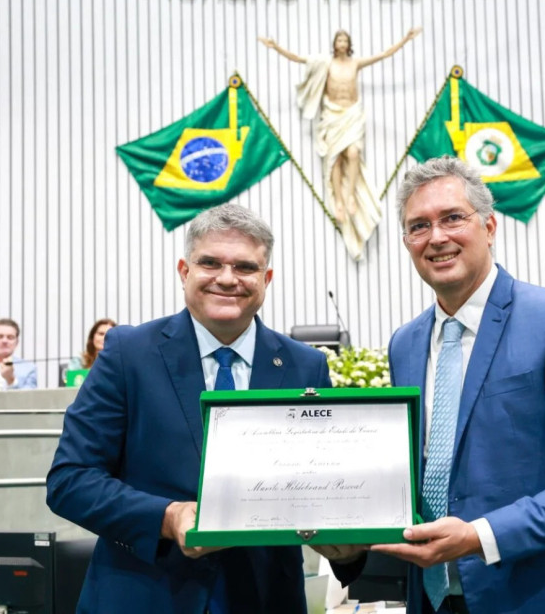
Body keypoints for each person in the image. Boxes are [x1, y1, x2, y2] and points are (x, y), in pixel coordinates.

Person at [364, 157, 545, 613]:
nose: (437, 237)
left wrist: (478, 536)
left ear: (489, 226)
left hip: (544, 596)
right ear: (407, 243)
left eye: (452, 218)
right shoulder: (404, 344)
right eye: (418, 226)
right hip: (432, 599)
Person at [46, 204, 338, 613]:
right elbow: (70, 481)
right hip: (145, 596)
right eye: (210, 263)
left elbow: (324, 485)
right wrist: (168, 517)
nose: (226, 278)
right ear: (184, 271)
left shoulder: (306, 365)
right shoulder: (128, 354)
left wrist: (347, 545)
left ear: (266, 279)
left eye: (244, 267)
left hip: (264, 599)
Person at [258, 27, 422, 261]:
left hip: (352, 114)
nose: (342, 42)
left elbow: (384, 54)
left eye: (345, 39)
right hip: (333, 115)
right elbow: (298, 58)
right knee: (334, 160)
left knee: (353, 153)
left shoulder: (355, 63)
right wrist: (276, 47)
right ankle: (338, 199)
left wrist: (405, 39)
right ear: (335, 44)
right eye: (339, 39)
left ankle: (352, 196)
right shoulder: (325, 63)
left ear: (349, 43)